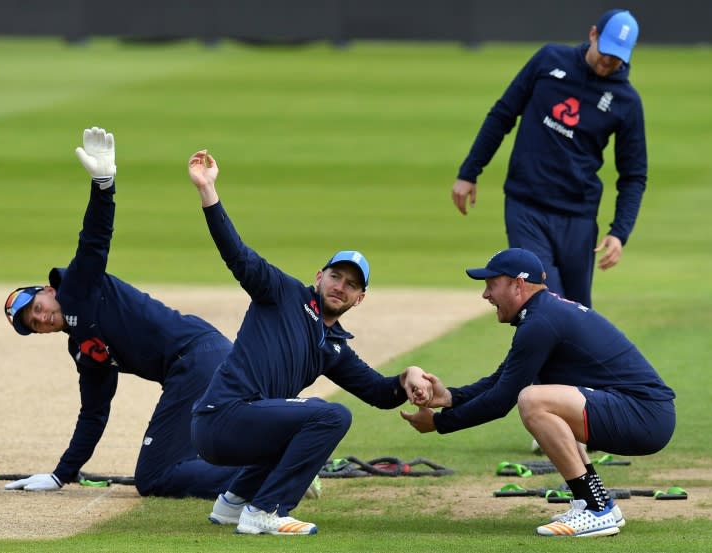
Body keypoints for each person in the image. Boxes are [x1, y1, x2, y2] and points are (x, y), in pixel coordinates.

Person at [187, 149, 432, 536]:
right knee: (331, 415)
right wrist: (208, 191)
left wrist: (409, 375)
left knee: (306, 421)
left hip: (240, 430)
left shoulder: (333, 346)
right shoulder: (280, 292)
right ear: (319, 275)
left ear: (359, 299)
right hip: (220, 418)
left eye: (352, 285)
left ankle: (234, 503)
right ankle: (265, 510)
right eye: (336, 276)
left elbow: (379, 393)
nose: (341, 287)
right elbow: (236, 254)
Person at [2, 126, 246, 499]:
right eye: (33, 324)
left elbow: (95, 237)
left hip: (197, 360)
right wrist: (59, 475)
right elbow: (94, 413)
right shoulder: (84, 349)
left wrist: (104, 184)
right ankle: (270, 464)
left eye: (37, 308)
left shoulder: (80, 285)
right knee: (184, 459)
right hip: (202, 361)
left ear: (49, 291)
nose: (41, 319)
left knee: (155, 477)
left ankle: (264, 476)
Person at [400, 248, 676, 537]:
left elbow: (501, 401)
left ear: (517, 285)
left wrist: (438, 423)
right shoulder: (543, 313)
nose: (485, 295)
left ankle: (595, 510)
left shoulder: (540, 322)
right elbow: (501, 379)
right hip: (644, 413)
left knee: (533, 400)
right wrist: (450, 398)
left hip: (645, 416)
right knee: (539, 398)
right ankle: (599, 502)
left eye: (491, 284)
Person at [451, 9, 646, 309]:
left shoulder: (626, 102)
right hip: (526, 205)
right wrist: (469, 172)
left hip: (578, 218)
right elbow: (503, 114)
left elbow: (633, 174)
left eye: (617, 58)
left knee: (578, 314)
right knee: (544, 302)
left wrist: (620, 232)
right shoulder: (549, 60)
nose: (608, 62)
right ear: (593, 34)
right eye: (606, 52)